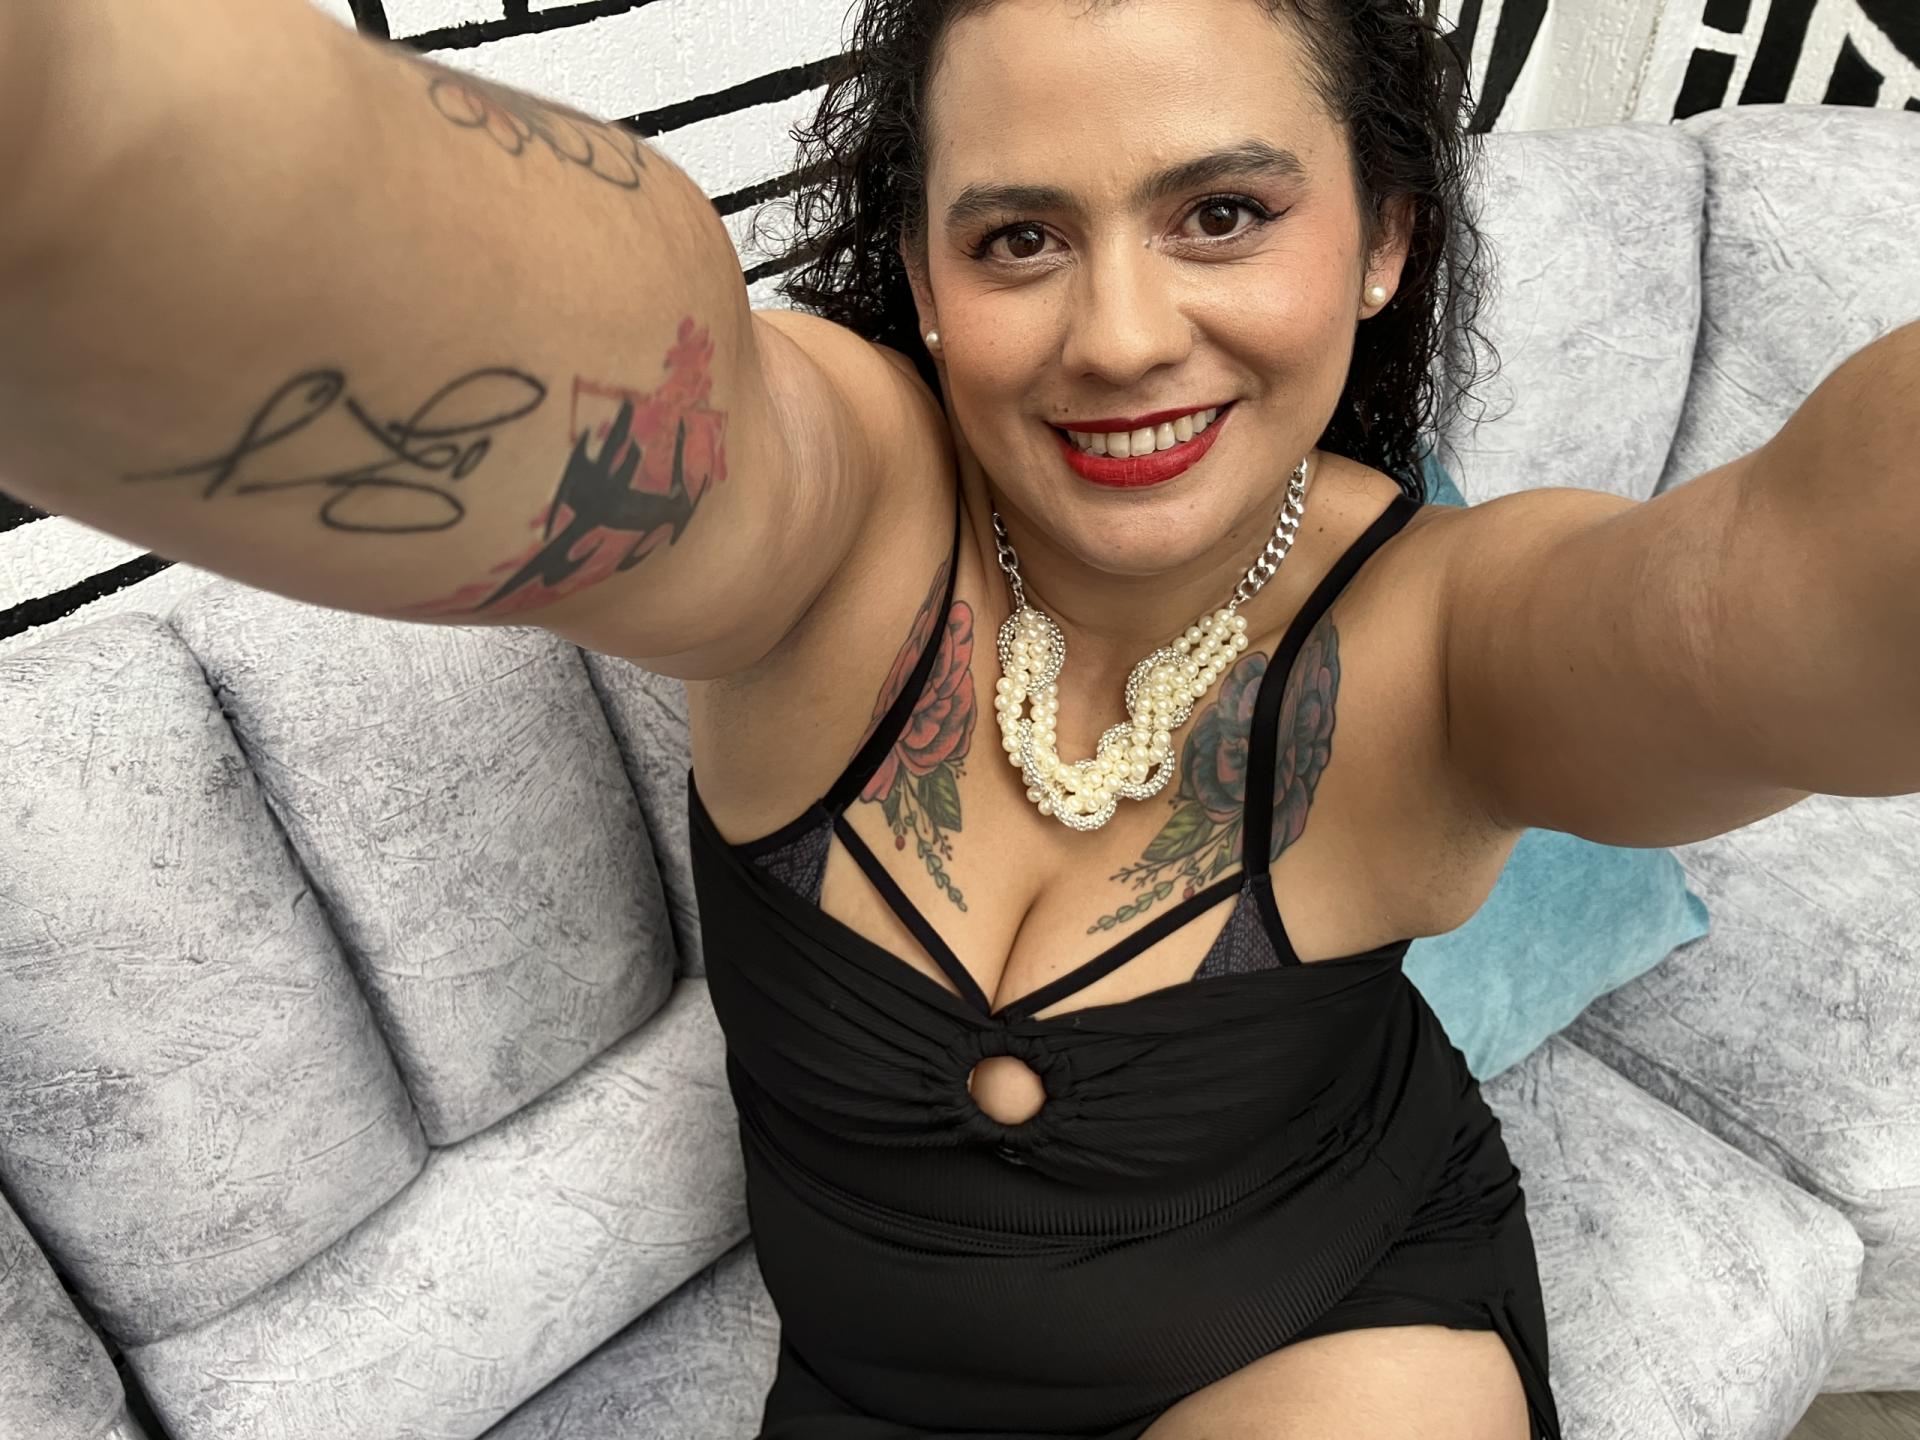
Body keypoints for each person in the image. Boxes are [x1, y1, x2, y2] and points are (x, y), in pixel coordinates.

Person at [5, 0, 1915, 1436]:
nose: (1120, 334)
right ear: (920, 276)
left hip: (1330, 1315)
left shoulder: (1452, 635)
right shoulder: (846, 533)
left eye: (1223, 213)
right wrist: (77, 123)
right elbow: (615, 370)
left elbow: (1772, 594)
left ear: (1384, 238)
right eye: (1018, 239)